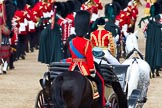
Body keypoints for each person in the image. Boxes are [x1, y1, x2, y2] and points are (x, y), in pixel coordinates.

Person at [68, 10, 106, 108]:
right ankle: (102, 104)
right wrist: (92, 71)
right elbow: (89, 59)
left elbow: (72, 56)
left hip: (73, 68)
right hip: (84, 68)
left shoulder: (71, 41)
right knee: (101, 81)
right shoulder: (87, 42)